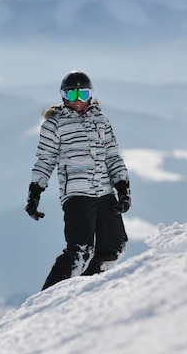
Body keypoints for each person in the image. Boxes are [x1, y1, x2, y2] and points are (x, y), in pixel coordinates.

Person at [25, 71, 131, 290]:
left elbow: (112, 155)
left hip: (104, 190)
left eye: (83, 93)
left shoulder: (100, 120)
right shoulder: (54, 125)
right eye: (73, 95)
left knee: (115, 247)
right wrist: (35, 193)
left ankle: (85, 288)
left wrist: (122, 188)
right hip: (77, 194)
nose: (79, 100)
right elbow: (45, 160)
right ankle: (48, 297)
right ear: (63, 97)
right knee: (80, 251)